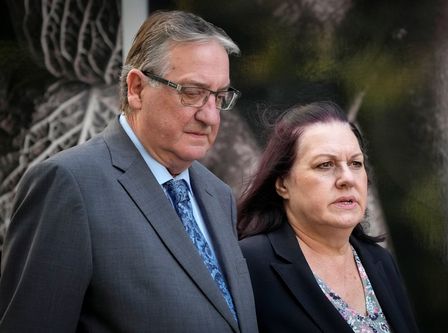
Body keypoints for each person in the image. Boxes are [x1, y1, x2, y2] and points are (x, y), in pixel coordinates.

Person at [0, 10, 258, 332]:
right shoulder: (69, 184)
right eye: (192, 92)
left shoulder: (218, 194)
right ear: (136, 88)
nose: (210, 116)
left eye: (219, 97)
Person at [238, 101, 419, 332]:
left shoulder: (380, 261)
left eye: (355, 163)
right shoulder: (249, 264)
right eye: (325, 165)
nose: (347, 178)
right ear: (282, 183)